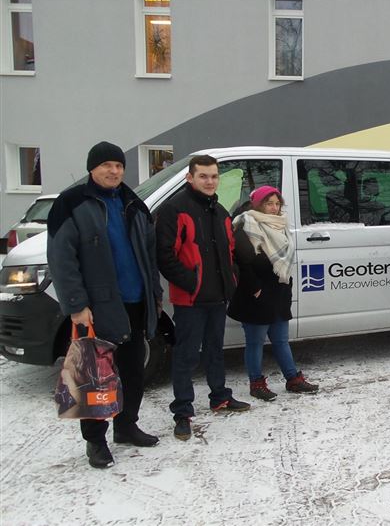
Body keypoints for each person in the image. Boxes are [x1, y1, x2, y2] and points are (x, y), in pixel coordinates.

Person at [47, 141, 162, 469]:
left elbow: (149, 254)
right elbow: (61, 257)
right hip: (96, 308)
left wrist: (154, 293)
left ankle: (126, 426)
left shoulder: (133, 203)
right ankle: (95, 442)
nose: (114, 171)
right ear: (92, 169)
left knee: (133, 371)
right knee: (94, 376)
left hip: (135, 302)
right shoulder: (71, 203)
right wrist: (76, 304)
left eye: (119, 166)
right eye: (106, 165)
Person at [156, 154, 250, 441]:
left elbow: (230, 251)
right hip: (190, 299)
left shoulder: (220, 212)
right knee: (185, 356)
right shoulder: (175, 209)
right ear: (190, 178)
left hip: (218, 297)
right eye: (203, 176)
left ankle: (219, 396)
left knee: (214, 351)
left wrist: (231, 279)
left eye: (214, 176)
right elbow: (165, 255)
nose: (209, 181)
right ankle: (182, 412)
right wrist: (192, 283)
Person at [228, 186, 319, 399]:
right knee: (255, 342)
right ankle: (256, 383)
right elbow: (243, 262)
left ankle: (293, 379)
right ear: (257, 204)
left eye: (277, 203)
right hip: (255, 294)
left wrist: (287, 287)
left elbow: (285, 260)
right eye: (269, 203)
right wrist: (256, 290)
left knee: (281, 340)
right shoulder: (246, 225)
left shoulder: (281, 225)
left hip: (278, 290)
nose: (274, 208)